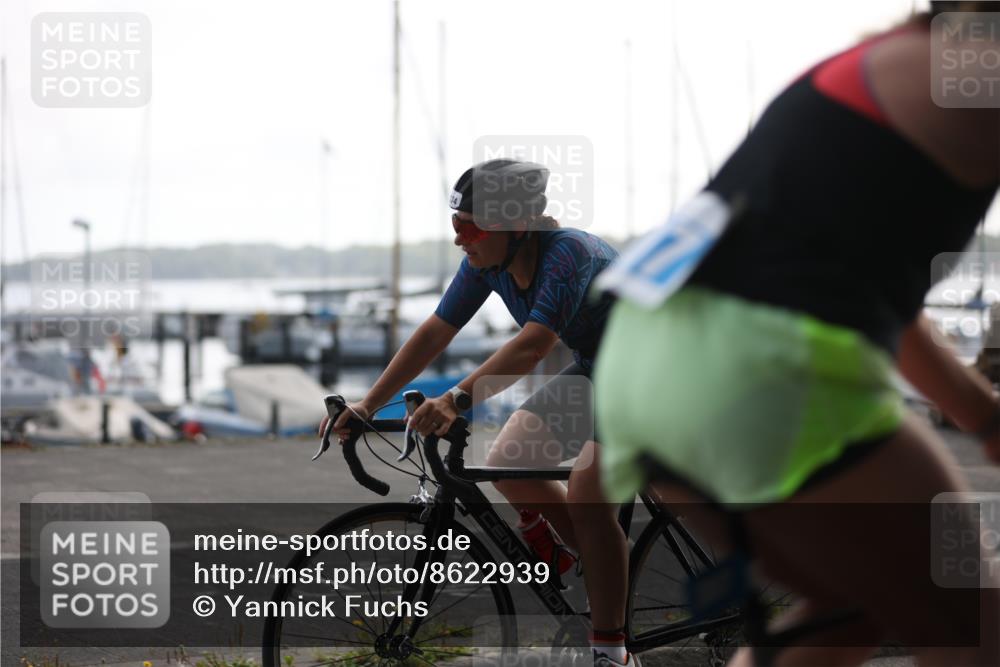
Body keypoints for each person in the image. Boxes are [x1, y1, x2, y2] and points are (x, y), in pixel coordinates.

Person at [593, 3, 1000, 666]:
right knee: (973, 630)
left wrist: (982, 417)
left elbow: (883, 307)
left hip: (646, 364)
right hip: (763, 373)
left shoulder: (879, 61)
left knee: (851, 608)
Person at [325, 158, 639, 666]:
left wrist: (454, 399)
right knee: (510, 459)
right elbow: (435, 331)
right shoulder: (484, 263)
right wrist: (369, 403)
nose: (459, 239)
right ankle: (585, 557)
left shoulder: (569, 254)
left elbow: (532, 346)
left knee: (587, 493)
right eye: (455, 225)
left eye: (469, 227)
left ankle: (612, 651)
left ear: (516, 226)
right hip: (599, 366)